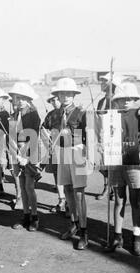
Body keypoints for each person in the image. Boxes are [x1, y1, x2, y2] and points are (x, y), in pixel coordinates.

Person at [104, 83, 140, 256]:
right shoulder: (110, 116)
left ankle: (136, 238)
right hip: (115, 162)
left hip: (133, 163)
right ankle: (117, 236)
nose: (126, 101)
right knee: (119, 200)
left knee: (136, 200)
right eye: (122, 99)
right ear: (116, 101)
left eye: (130, 98)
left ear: (135, 100)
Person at [53, 78, 89, 250]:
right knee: (67, 189)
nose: (65, 96)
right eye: (62, 93)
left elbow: (89, 137)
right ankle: (74, 223)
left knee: (79, 192)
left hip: (77, 152)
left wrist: (90, 158)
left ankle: (84, 232)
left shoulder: (81, 113)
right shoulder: (56, 113)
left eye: (68, 93)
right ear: (58, 96)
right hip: (62, 152)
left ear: (74, 95)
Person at [8, 83, 41, 232]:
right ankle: (25, 215)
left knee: (29, 186)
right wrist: (15, 153)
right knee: (21, 186)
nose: (20, 101)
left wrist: (25, 156)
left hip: (29, 153)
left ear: (29, 99)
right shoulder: (14, 115)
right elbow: (11, 136)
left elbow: (33, 136)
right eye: (17, 98)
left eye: (23, 98)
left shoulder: (33, 114)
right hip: (16, 153)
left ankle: (34, 217)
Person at [95, 74, 125, 200]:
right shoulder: (101, 101)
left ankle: (113, 189)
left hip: (115, 137)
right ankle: (107, 187)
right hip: (102, 136)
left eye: (104, 81)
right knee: (103, 164)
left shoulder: (117, 100)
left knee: (114, 164)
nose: (101, 83)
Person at [42, 92, 67, 216]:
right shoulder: (50, 115)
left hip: (68, 149)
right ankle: (61, 199)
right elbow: (42, 129)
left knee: (68, 176)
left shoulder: (67, 112)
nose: (53, 102)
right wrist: (48, 143)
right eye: (51, 101)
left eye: (55, 99)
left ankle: (69, 203)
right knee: (57, 175)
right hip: (54, 148)